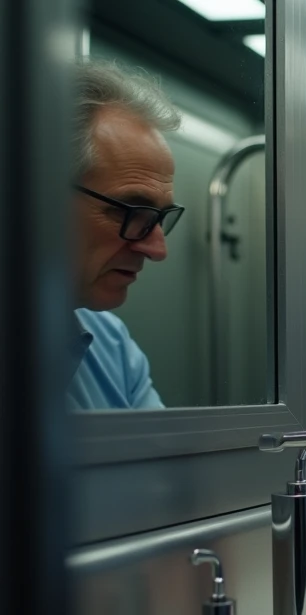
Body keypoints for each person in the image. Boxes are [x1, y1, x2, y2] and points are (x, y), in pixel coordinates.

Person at [69, 58, 183, 410]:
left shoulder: (108, 343)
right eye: (131, 210)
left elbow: (159, 463)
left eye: (161, 217)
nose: (157, 249)